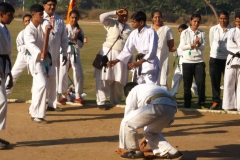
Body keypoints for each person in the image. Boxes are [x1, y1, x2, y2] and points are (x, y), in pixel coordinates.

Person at [117, 82, 182, 159]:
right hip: (172, 107)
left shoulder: (133, 91)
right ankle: (172, 152)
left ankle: (134, 152)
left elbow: (128, 116)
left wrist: (123, 142)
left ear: (128, 91)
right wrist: (145, 138)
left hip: (157, 104)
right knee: (149, 132)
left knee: (126, 122)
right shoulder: (150, 88)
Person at [108, 11, 159, 85]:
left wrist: (138, 62)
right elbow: (127, 50)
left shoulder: (151, 32)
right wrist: (115, 61)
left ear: (141, 22)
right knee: (137, 88)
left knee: (150, 89)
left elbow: (152, 52)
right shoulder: (134, 33)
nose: (132, 24)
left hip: (149, 64)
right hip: (138, 64)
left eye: (134, 22)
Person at [94, 9, 132, 110]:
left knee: (119, 80)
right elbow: (102, 16)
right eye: (121, 15)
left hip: (121, 57)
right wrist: (115, 12)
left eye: (126, 16)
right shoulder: (111, 22)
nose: (124, 18)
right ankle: (101, 102)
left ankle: (116, 102)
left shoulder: (128, 29)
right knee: (104, 78)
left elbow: (130, 47)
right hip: (108, 53)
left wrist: (130, 60)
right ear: (118, 16)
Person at [24, 4, 52, 123]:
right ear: (33, 16)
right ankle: (38, 114)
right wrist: (39, 52)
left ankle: (33, 111)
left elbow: (47, 23)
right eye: (40, 14)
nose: (42, 16)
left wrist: (47, 27)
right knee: (42, 85)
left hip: (44, 60)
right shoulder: (28, 30)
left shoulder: (43, 23)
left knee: (38, 87)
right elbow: (30, 44)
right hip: (35, 60)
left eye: (42, 14)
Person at [43, 0, 68, 112]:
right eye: (49, 5)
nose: (52, 7)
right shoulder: (39, 17)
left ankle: (52, 104)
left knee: (54, 80)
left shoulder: (59, 19)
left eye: (54, 5)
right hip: (42, 56)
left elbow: (64, 38)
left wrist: (65, 53)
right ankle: (38, 105)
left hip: (55, 55)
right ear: (44, 5)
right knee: (41, 81)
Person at [179, 13, 206, 108]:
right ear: (190, 21)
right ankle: (187, 103)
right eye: (194, 21)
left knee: (201, 82)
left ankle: (201, 102)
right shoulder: (184, 32)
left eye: (198, 22)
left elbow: (203, 48)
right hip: (187, 61)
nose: (196, 23)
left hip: (199, 61)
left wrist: (198, 44)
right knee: (187, 84)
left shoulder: (202, 33)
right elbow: (182, 47)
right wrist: (192, 45)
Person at [58, 10, 85, 105]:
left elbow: (81, 45)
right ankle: (64, 95)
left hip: (75, 52)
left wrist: (75, 39)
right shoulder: (64, 28)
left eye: (76, 18)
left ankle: (78, 95)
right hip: (64, 51)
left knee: (79, 73)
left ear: (78, 19)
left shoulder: (80, 31)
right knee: (62, 72)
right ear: (69, 17)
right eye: (72, 17)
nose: (74, 19)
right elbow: (58, 40)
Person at [209, 11, 231, 110]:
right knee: (215, 81)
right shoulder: (213, 29)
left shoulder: (232, 30)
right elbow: (211, 42)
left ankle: (228, 102)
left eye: (225, 18)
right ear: (218, 18)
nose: (223, 20)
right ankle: (216, 101)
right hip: (214, 58)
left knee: (228, 81)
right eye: (221, 18)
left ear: (228, 19)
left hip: (227, 58)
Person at [5, 14, 32, 94]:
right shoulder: (22, 33)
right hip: (23, 56)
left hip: (34, 57)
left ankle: (39, 97)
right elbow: (19, 47)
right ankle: (4, 94)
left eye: (29, 20)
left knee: (38, 76)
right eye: (26, 21)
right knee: (14, 74)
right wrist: (29, 46)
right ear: (24, 23)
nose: (28, 22)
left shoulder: (37, 32)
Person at [0, 2, 14, 149]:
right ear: (1, 14)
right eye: (9, 15)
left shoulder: (4, 28)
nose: (12, 18)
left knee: (2, 102)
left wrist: (9, 73)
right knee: (1, 101)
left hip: (3, 67)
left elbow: (7, 53)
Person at [171, 24, 198, 97]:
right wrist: (174, 50)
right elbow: (177, 54)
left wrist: (177, 49)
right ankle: (172, 95)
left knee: (189, 81)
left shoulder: (188, 39)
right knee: (176, 78)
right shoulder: (181, 40)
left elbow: (186, 52)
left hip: (187, 63)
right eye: (179, 31)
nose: (180, 33)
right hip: (180, 64)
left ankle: (199, 95)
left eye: (181, 31)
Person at [151, 10, 174, 90]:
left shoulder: (167, 29)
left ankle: (164, 100)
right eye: (155, 17)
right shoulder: (148, 29)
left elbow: (171, 45)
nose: (157, 19)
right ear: (152, 18)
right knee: (151, 79)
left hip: (163, 58)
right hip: (151, 59)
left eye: (159, 17)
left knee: (163, 80)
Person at [222, 12, 240, 111]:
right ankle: (228, 106)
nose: (238, 23)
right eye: (237, 21)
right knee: (229, 82)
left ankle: (239, 106)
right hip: (232, 60)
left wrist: (238, 43)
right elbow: (229, 45)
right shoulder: (232, 31)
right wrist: (237, 46)